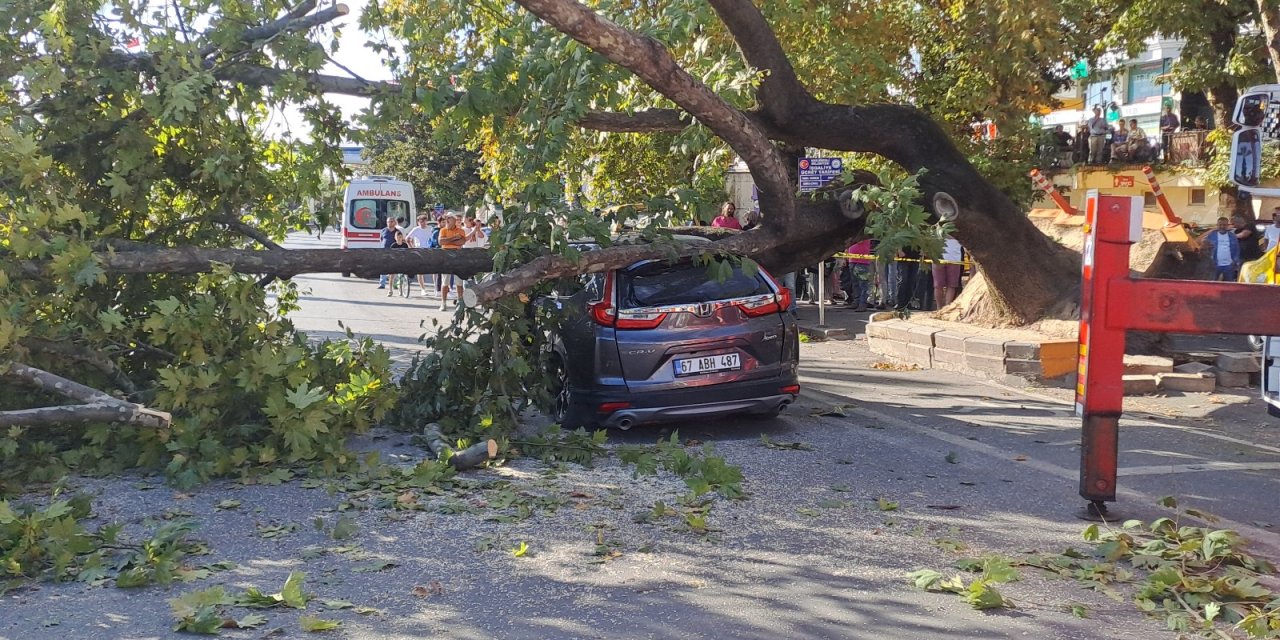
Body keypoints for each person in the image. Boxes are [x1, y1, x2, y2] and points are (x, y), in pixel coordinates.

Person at [435, 214, 467, 310]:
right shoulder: (443, 230)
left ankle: (460, 303)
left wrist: (448, 241)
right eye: (446, 218)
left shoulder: (461, 230)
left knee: (459, 282)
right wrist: (454, 238)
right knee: (445, 282)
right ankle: (443, 303)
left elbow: (461, 242)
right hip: (446, 256)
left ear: (454, 220)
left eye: (449, 218)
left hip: (458, 256)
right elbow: (441, 242)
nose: (447, 220)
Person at [1200, 217, 1241, 281]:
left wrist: (1235, 261)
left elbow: (1237, 249)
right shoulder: (1212, 235)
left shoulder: (1232, 236)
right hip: (1214, 265)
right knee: (1212, 284)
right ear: (1217, 225)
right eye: (1220, 225)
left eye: (1224, 225)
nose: (1222, 226)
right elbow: (1204, 246)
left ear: (1227, 226)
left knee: (1229, 285)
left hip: (1229, 265)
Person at [405, 215, 435, 297]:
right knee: (420, 271)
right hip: (419, 251)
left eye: (424, 221)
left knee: (433, 270)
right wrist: (412, 248)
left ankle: (436, 288)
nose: (423, 223)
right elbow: (407, 239)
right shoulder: (416, 229)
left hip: (429, 251)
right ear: (418, 222)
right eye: (421, 221)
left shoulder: (430, 229)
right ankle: (423, 289)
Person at [932, 236, 964, 309]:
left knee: (951, 285)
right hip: (940, 258)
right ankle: (940, 307)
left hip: (954, 259)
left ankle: (945, 307)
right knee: (939, 285)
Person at [843, 239, 873, 312]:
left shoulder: (863, 231)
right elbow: (847, 243)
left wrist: (850, 239)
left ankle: (862, 304)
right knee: (855, 284)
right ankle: (856, 302)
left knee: (863, 284)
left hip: (862, 261)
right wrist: (844, 257)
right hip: (852, 260)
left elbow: (859, 240)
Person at [377, 216, 400, 289]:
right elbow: (381, 239)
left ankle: (395, 284)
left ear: (395, 222)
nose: (389, 223)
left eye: (391, 221)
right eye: (388, 222)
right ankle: (382, 284)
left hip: (394, 252)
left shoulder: (397, 232)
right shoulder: (383, 230)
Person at [387, 230, 411, 296]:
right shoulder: (393, 245)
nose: (399, 238)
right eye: (398, 237)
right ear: (395, 238)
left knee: (404, 274)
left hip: (403, 261)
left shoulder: (405, 245)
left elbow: (408, 253)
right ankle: (390, 290)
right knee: (391, 275)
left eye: (400, 237)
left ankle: (401, 288)